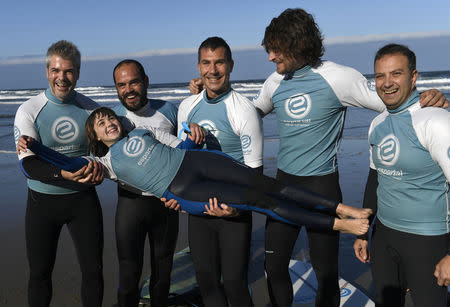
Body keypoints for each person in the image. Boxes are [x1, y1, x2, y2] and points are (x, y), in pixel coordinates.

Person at [190, 8, 448, 307]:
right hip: (283, 188)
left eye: (275, 49)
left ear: (296, 43)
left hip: (322, 187)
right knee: (273, 267)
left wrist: (431, 99)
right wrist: (206, 92)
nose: (271, 57)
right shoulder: (275, 83)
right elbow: (244, 114)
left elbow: (392, 100)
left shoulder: (338, 77)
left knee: (326, 273)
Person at [18, 107, 373, 237]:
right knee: (259, 202)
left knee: (269, 185)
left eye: (109, 116)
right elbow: (67, 165)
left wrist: (190, 138)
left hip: (196, 162)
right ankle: (339, 224)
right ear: (94, 135)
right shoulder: (106, 165)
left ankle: (343, 208)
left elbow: (179, 147)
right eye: (99, 122)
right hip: (182, 191)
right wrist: (34, 147)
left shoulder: (141, 131)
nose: (107, 121)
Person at [352, 44, 450, 307]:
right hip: (384, 237)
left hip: (427, 240)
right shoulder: (377, 124)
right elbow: (375, 179)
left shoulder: (435, 121)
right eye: (380, 76)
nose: (387, 83)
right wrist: (363, 232)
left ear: (414, 76)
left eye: (396, 74)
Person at [13, 40, 104, 307]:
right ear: (47, 71)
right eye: (56, 70)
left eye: (68, 71)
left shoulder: (91, 109)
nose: (61, 78)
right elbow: (28, 165)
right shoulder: (29, 110)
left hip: (83, 202)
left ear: (77, 72)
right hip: (43, 204)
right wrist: (64, 175)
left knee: (93, 272)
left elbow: (110, 149)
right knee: (40, 274)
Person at [177, 36, 263, 307]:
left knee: (236, 286)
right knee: (207, 283)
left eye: (219, 63)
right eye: (206, 63)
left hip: (232, 211)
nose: (213, 71)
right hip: (199, 209)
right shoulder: (186, 107)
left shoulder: (244, 110)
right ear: (198, 66)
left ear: (231, 65)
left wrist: (237, 210)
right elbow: (182, 161)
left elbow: (254, 173)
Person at [111, 59, 204, 307]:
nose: (129, 89)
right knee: (129, 276)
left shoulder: (169, 111)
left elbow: (191, 138)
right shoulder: (113, 119)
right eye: (122, 85)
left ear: (146, 82)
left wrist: (201, 90)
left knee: (162, 273)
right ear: (116, 88)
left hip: (166, 203)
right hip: (130, 204)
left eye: (134, 82)